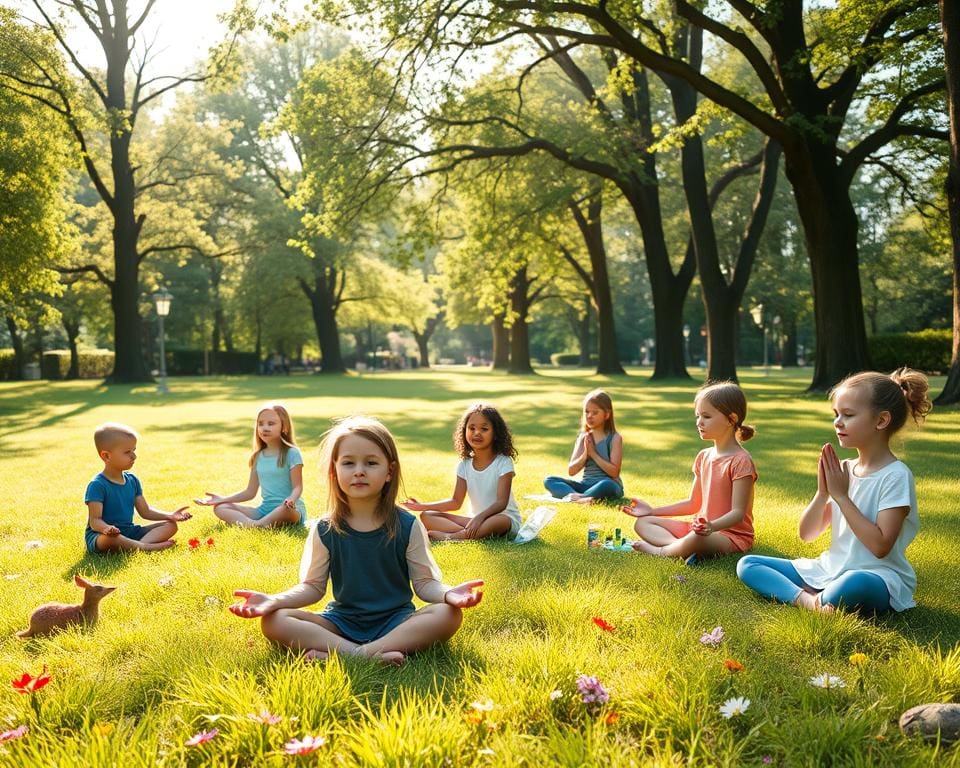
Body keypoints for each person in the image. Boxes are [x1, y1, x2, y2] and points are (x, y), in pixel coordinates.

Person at [229, 416, 483, 665]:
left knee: (448, 613)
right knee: (274, 620)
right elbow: (312, 587)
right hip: (340, 623)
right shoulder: (324, 529)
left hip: (397, 623)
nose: (359, 471)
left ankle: (346, 655)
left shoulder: (408, 525)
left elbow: (425, 583)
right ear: (334, 470)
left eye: (371, 463)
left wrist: (449, 593)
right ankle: (362, 654)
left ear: (389, 471)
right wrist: (274, 600)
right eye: (349, 463)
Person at [737, 368, 931, 613]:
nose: (837, 422)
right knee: (748, 564)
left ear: (881, 420)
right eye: (836, 414)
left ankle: (821, 597)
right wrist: (823, 494)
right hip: (830, 568)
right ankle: (810, 601)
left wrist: (841, 495)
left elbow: (881, 546)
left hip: (878, 577)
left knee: (854, 582)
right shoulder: (844, 470)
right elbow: (807, 533)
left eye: (848, 415)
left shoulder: (896, 475)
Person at [622, 381, 758, 561]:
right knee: (643, 523)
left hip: (729, 536)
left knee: (696, 538)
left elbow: (737, 513)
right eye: (697, 416)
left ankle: (662, 551)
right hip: (701, 530)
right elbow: (693, 503)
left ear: (731, 419)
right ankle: (680, 549)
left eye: (706, 417)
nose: (699, 422)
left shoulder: (741, 461)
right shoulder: (703, 456)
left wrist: (711, 526)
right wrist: (651, 511)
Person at [403, 403, 522, 541]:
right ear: (464, 431)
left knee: (499, 521)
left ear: (496, 434)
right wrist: (421, 506)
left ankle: (453, 537)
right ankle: (469, 534)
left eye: (484, 429)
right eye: (472, 428)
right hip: (473, 521)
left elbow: (501, 502)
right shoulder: (464, 465)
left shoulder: (503, 462)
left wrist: (480, 518)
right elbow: (455, 502)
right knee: (426, 516)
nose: (477, 433)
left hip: (503, 519)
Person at [84, 423, 191, 553]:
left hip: (129, 532)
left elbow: (145, 511)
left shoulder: (132, 480)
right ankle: (146, 547)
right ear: (106, 456)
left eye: (133, 450)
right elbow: (95, 521)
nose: (134, 456)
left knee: (170, 526)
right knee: (113, 539)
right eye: (127, 452)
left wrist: (171, 515)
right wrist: (106, 529)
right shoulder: (97, 485)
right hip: (102, 536)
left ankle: (135, 546)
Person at [194, 403, 305, 527]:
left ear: (284, 427)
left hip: (290, 510)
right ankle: (254, 525)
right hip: (264, 510)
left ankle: (254, 525)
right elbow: (249, 492)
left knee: (283, 510)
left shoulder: (292, 453)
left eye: (271, 423)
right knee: (220, 507)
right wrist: (222, 499)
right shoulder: (257, 456)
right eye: (260, 423)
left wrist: (291, 500)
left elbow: (298, 487)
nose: (265, 428)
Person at [543, 389, 623, 502]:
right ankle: (581, 497)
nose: (589, 416)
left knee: (608, 484)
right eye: (587, 412)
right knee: (549, 480)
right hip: (585, 485)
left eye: (595, 413)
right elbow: (571, 471)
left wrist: (593, 454)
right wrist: (585, 455)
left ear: (607, 414)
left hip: (607, 485)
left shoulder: (614, 438)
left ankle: (577, 498)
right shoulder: (583, 438)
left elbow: (614, 472)